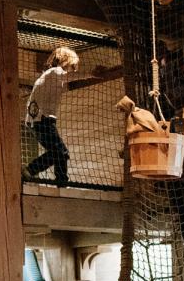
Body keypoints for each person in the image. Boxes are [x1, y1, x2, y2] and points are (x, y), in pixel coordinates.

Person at [23, 47, 123, 187]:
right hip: (42, 120)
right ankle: (37, 173)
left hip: (36, 120)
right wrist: (91, 74)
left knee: (58, 153)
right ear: (66, 62)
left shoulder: (47, 76)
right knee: (61, 152)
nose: (73, 69)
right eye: (72, 66)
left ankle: (54, 179)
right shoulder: (55, 72)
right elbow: (69, 76)